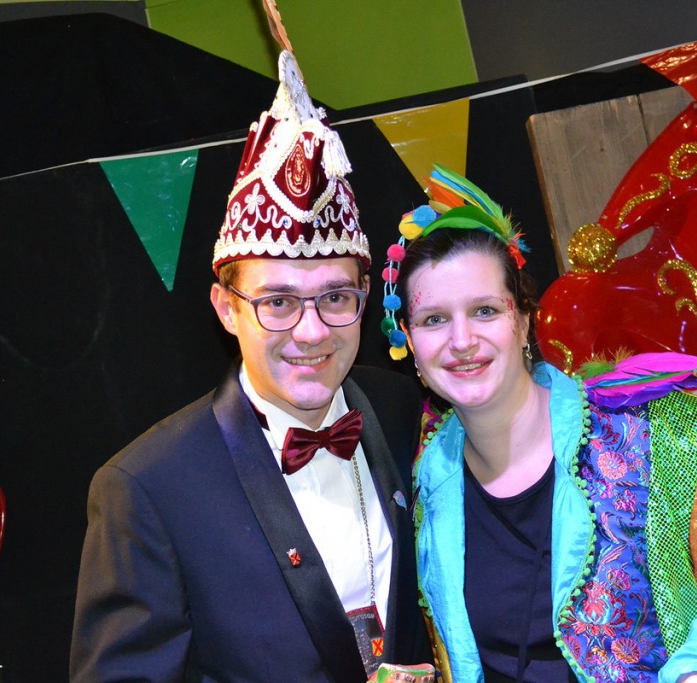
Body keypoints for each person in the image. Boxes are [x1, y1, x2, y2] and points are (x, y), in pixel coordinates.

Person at [70, 49, 432, 682]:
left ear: (365, 296)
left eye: (335, 298)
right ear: (226, 308)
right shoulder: (147, 488)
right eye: (278, 303)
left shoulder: (407, 413)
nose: (311, 332)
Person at [380, 166, 697, 683]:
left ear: (523, 321)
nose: (462, 341)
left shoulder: (657, 431)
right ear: (410, 342)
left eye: (485, 311)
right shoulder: (419, 480)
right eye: (434, 319)